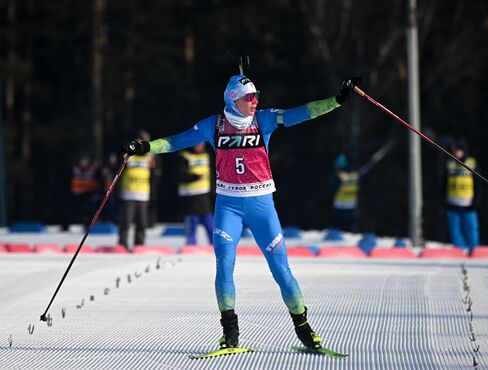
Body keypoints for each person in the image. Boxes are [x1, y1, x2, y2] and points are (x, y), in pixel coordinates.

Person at [122, 75, 360, 350]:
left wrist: (338, 100)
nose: (255, 101)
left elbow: (302, 113)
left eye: (256, 95)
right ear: (233, 99)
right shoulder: (214, 125)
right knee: (224, 266)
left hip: (262, 206)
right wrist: (145, 148)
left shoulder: (265, 119)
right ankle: (230, 333)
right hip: (228, 206)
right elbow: (177, 142)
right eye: (249, 97)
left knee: (281, 270)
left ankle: (304, 329)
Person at [118, 130, 156, 251]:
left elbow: (155, 175)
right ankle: (122, 245)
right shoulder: (128, 154)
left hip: (143, 194)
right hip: (128, 194)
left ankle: (139, 246)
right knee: (126, 222)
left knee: (142, 223)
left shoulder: (150, 156)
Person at [444, 139, 480, 251]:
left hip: (468, 203)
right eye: (455, 151)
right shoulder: (450, 164)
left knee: (471, 228)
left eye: (458, 151)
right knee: (455, 229)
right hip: (453, 202)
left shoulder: (471, 163)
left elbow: (478, 184)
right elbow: (443, 183)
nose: (456, 153)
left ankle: (474, 249)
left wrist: (477, 199)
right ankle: (459, 249)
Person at [177, 142, 214, 245]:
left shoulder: (207, 155)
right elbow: (180, 175)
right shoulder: (184, 156)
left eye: (201, 143)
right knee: (192, 226)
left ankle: (215, 248)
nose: (199, 146)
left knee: (210, 225)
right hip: (190, 196)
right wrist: (195, 177)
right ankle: (191, 247)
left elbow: (212, 175)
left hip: (204, 196)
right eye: (197, 144)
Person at [70, 153, 100, 226]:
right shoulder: (74, 169)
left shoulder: (93, 169)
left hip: (89, 194)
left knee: (91, 205)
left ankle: (91, 223)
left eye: (85, 160)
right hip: (77, 194)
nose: (83, 162)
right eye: (82, 160)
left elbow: (99, 182)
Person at [331, 152, 359, 232]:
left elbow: (333, 189)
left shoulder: (339, 176)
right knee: (349, 230)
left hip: (340, 206)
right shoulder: (354, 175)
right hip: (352, 206)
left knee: (340, 228)